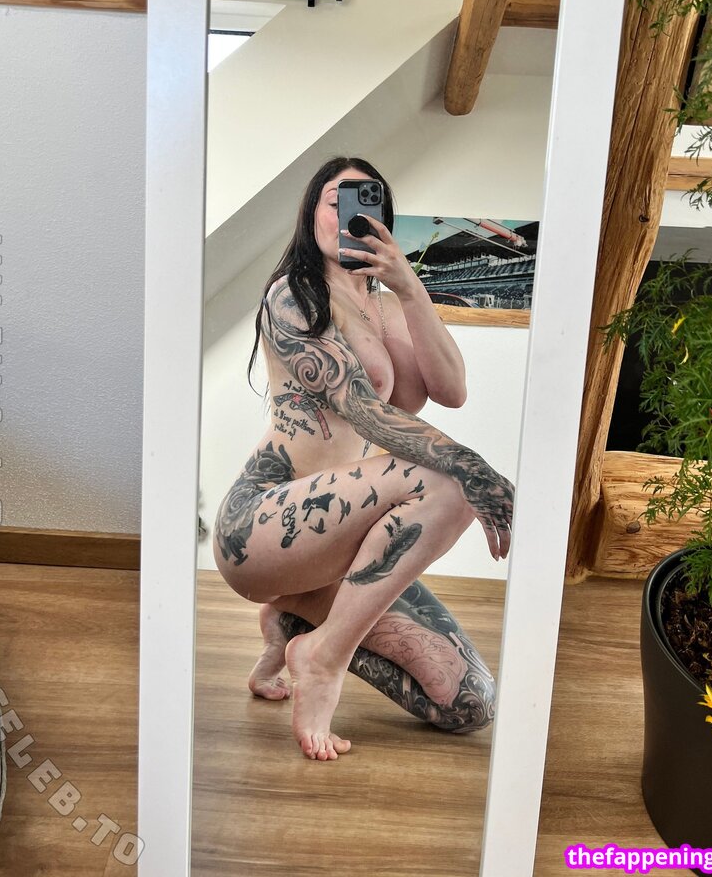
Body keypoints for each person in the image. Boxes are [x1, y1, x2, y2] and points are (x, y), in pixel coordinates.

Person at [213, 156, 514, 761]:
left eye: (366, 201)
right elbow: (368, 413)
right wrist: (475, 467)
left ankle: (295, 623)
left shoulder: (391, 307)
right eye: (336, 200)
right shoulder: (294, 297)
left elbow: (451, 390)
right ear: (313, 214)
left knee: (469, 703)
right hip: (262, 525)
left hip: (340, 549)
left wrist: (409, 284)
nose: (350, 214)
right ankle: (323, 658)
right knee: (451, 481)